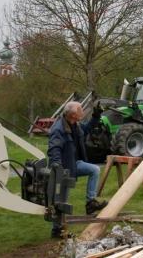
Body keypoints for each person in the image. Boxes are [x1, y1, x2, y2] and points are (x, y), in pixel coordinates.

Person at [47, 101, 107, 237]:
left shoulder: (74, 124)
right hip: (63, 169)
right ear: (73, 114)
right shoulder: (58, 129)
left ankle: (90, 203)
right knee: (61, 200)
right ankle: (57, 230)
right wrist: (56, 164)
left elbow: (86, 129)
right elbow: (54, 148)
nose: (83, 111)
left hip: (74, 164)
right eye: (81, 110)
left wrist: (96, 116)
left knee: (94, 170)